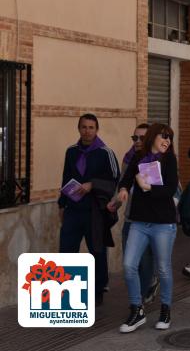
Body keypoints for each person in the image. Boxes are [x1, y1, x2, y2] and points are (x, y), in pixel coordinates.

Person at [118, 123, 179, 333]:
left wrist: (148, 187)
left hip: (163, 224)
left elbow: (171, 188)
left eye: (170, 137)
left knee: (163, 268)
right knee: (128, 265)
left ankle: (165, 309)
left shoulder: (169, 159)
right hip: (139, 222)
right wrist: (124, 190)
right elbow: (125, 179)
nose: (167, 141)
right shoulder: (138, 156)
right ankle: (137, 309)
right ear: (153, 137)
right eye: (164, 136)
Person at [58, 113, 120, 306]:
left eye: (91, 127)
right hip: (73, 209)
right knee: (67, 250)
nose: (87, 131)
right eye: (83, 127)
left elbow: (114, 179)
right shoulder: (71, 151)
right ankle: (68, 291)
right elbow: (66, 178)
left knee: (97, 251)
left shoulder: (105, 152)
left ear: (97, 130)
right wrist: (61, 204)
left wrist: (92, 184)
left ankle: (98, 290)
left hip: (95, 211)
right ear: (79, 129)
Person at [108, 123, 159, 304]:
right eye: (134, 138)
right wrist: (116, 201)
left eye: (141, 138)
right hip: (131, 218)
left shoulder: (155, 160)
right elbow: (123, 184)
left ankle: (140, 301)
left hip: (148, 221)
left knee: (145, 262)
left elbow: (153, 193)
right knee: (130, 263)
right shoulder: (129, 159)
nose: (137, 141)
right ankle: (139, 297)